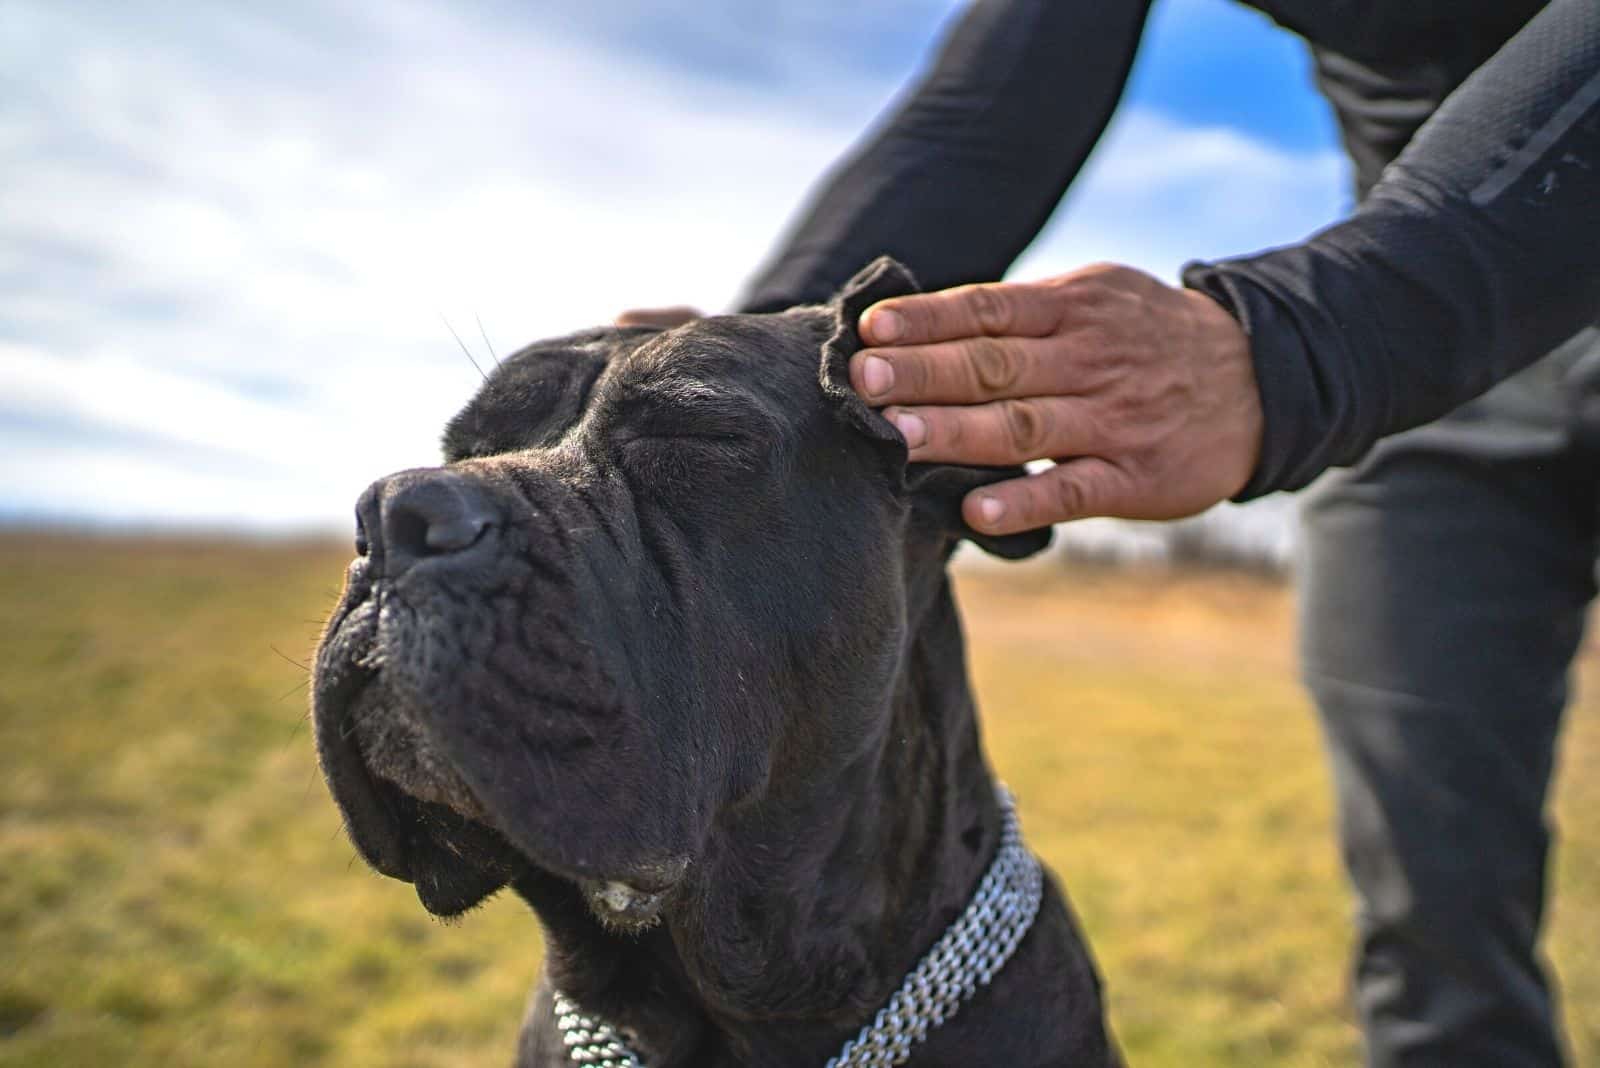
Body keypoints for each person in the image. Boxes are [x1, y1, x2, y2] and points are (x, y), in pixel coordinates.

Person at [621, 2, 1600, 1064]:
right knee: (1436, 930)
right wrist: (761, 377)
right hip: (1439, 394)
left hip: (1395, 318)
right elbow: (986, 118)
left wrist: (1302, 343)